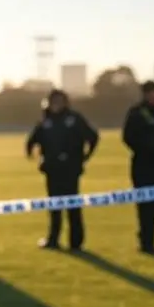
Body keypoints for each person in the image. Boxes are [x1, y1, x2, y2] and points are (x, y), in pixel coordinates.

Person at [25, 89, 99, 251]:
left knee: (73, 205)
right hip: (52, 170)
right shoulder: (46, 121)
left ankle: (76, 242)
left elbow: (93, 137)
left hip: (71, 169)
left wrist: (85, 157)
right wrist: (30, 152)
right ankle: (53, 239)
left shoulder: (74, 119)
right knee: (54, 206)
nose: (55, 105)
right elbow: (33, 139)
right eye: (53, 102)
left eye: (59, 102)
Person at [122, 80, 154, 254]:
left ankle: (146, 235)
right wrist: (146, 149)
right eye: (152, 92)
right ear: (145, 94)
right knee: (145, 203)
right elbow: (127, 137)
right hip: (143, 165)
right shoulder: (136, 113)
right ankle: (147, 242)